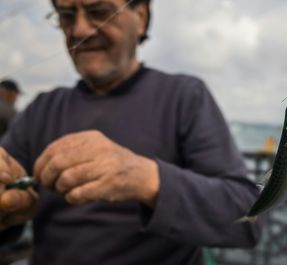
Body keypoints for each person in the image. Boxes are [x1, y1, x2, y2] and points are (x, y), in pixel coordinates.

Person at [0, 0, 263, 264]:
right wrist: (10, 209)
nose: (79, 30)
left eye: (99, 12)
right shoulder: (41, 109)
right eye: (67, 16)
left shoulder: (185, 97)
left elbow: (248, 216)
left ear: (140, 16)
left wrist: (147, 179)